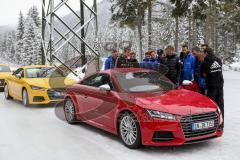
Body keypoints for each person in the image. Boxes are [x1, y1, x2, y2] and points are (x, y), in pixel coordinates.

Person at [201, 48, 224, 128]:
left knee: (211, 106)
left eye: (203, 52)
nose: (202, 54)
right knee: (220, 104)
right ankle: (221, 123)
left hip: (211, 86)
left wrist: (207, 74)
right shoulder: (218, 60)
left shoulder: (205, 62)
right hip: (220, 85)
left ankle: (213, 124)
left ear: (206, 53)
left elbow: (202, 74)